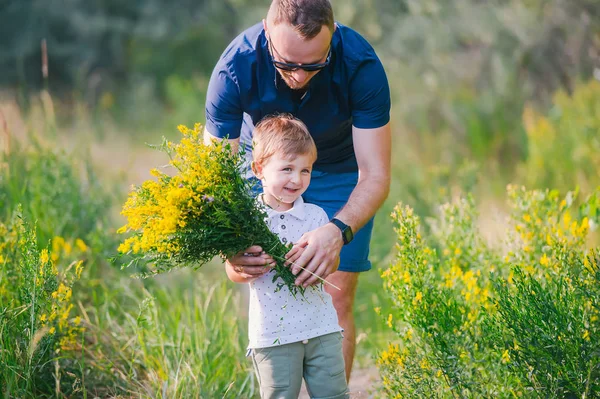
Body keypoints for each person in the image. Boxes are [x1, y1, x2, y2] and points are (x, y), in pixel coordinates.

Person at [204, 0, 391, 379]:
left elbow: (375, 174)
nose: (300, 76)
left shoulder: (361, 65)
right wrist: (230, 248)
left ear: (333, 39)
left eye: (313, 65)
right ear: (266, 32)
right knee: (267, 283)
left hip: (341, 168)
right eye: (286, 64)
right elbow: (215, 178)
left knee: (335, 296)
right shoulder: (234, 68)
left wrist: (337, 232)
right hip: (266, 165)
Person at [226, 114, 349, 399]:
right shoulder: (248, 220)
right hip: (274, 335)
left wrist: (321, 262)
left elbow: (332, 264)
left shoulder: (316, 216)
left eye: (305, 170)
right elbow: (232, 270)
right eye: (287, 169)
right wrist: (242, 267)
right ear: (259, 169)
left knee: (334, 394)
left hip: (321, 328)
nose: (296, 179)